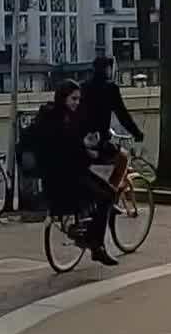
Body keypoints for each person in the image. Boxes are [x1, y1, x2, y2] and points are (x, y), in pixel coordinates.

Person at [22, 79, 118, 265]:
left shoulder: (51, 116)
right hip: (67, 176)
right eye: (73, 98)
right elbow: (72, 149)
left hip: (55, 175)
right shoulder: (63, 121)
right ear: (64, 98)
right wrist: (94, 153)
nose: (76, 103)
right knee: (108, 195)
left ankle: (86, 230)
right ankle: (97, 246)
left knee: (96, 190)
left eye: (78, 99)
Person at [80, 55, 142, 213]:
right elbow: (123, 115)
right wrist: (137, 133)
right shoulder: (110, 88)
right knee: (122, 158)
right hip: (101, 141)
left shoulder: (83, 87)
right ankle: (111, 196)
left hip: (83, 141)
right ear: (108, 69)